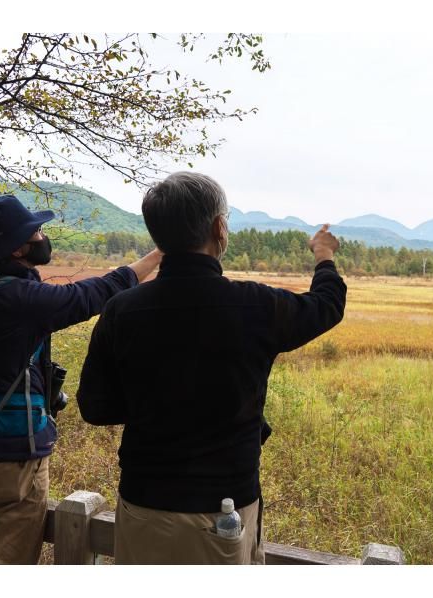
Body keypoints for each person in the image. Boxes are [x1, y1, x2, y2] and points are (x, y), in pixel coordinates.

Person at [77, 172, 346, 564]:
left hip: (143, 504)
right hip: (223, 511)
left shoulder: (123, 309)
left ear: (158, 234)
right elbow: (326, 306)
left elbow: (95, 407)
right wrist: (324, 256)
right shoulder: (256, 306)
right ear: (219, 228)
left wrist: (153, 401)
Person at [0, 194, 161, 565]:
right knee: (9, 565)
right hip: (12, 455)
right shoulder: (18, 297)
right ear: (16, 250)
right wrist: (159, 255)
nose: (43, 237)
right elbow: (93, 295)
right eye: (36, 232)